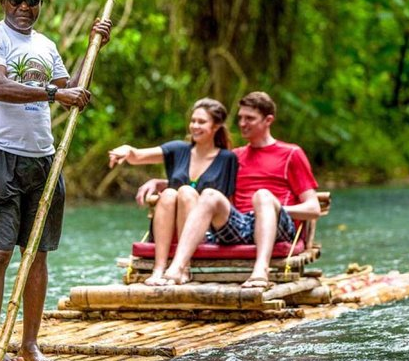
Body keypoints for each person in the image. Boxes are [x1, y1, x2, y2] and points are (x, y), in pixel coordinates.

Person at [0, 0, 112, 361]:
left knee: (37, 254)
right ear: (4, 2)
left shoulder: (47, 45)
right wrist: (53, 91)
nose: (23, 7)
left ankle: (30, 344)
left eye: (32, 0)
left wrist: (92, 45)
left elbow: (74, 90)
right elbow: (0, 88)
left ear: (39, 5)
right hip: (1, 155)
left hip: (44, 158)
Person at [137, 91, 320, 287]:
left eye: (249, 118)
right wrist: (160, 183)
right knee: (209, 195)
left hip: (277, 224)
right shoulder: (234, 156)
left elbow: (314, 208)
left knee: (262, 196)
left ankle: (260, 271)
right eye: (240, 118)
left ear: (268, 120)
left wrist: (267, 210)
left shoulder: (291, 153)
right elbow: (199, 182)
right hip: (240, 224)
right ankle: (178, 268)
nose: (242, 123)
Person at [109, 98, 238, 285]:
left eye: (201, 122)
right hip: (167, 227)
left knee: (185, 191)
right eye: (193, 121)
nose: (194, 126)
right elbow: (138, 156)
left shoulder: (227, 158)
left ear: (216, 126)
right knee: (169, 193)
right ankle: (159, 268)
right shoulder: (178, 149)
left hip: (204, 230)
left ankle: (183, 267)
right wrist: (127, 150)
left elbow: (226, 201)